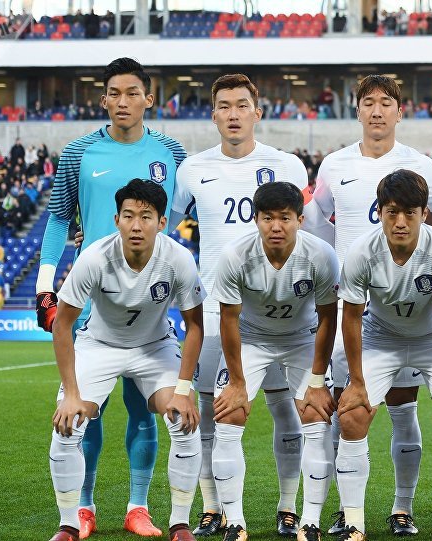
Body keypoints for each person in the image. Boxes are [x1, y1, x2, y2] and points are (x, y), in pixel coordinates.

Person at [36, 57, 187, 538]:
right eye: (114, 93)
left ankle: (137, 507)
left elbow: (178, 215)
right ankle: (83, 507)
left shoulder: (172, 152)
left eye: (132, 93)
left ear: (149, 99)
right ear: (103, 100)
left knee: (144, 406)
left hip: (149, 299)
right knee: (86, 408)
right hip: (91, 294)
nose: (123, 102)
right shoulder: (79, 152)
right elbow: (59, 217)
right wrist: (44, 285)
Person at [169, 73, 324, 537]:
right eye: (224, 106)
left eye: (242, 105)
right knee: (212, 411)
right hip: (215, 306)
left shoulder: (287, 165)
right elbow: (165, 228)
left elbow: (309, 227)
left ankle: (287, 506)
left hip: (279, 308)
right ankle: (212, 508)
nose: (233, 114)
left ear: (258, 112)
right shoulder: (191, 169)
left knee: (286, 410)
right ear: (213, 113)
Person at [311, 74, 432, 537]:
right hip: (353, 303)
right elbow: (317, 222)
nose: (377, 111)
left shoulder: (421, 165)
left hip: (411, 305)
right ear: (357, 110)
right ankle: (346, 511)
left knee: (403, 409)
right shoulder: (334, 164)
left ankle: (402, 508)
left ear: (400, 111)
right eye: (369, 102)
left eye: (386, 102)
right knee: (348, 408)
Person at [46, 179, 205, 541]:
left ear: (162, 222)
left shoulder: (178, 259)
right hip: (99, 345)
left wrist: (183, 390)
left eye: (146, 217)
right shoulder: (94, 257)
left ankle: (180, 525)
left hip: (154, 346)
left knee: (184, 419)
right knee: (68, 422)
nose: (136, 225)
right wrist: (71, 393)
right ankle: (69, 524)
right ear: (116, 219)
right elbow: (63, 323)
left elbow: (196, 325)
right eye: (129, 216)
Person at [334, 169, 432, 541]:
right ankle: (354, 525)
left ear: (424, 214)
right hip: (381, 338)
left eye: (409, 213)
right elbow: (351, 318)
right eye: (392, 212)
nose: (400, 222)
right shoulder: (362, 251)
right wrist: (357, 382)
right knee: (352, 416)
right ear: (379, 211)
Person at [209, 182, 340, 541]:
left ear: (300, 219)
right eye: (268, 218)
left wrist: (317, 382)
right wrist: (237, 384)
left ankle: (308, 522)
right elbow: (228, 320)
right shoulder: (235, 256)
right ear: (256, 219)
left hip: (302, 339)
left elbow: (328, 319)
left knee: (316, 418)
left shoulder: (321, 255)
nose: (276, 226)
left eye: (285, 218)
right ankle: (235, 523)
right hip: (251, 339)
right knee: (228, 414)